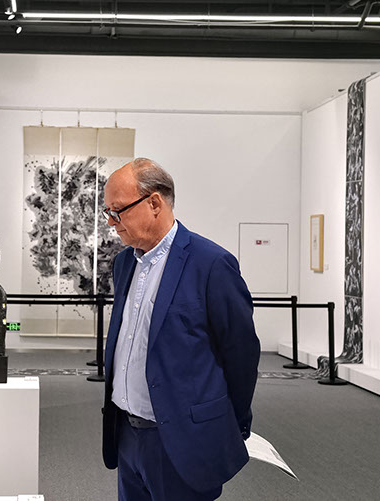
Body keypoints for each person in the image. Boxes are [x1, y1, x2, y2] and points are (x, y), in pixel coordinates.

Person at [101, 158, 260, 501]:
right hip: (126, 434)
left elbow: (241, 355)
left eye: (118, 211)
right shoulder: (124, 263)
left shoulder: (211, 264)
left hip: (182, 441)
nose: (111, 222)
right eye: (108, 212)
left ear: (154, 203)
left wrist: (227, 425)